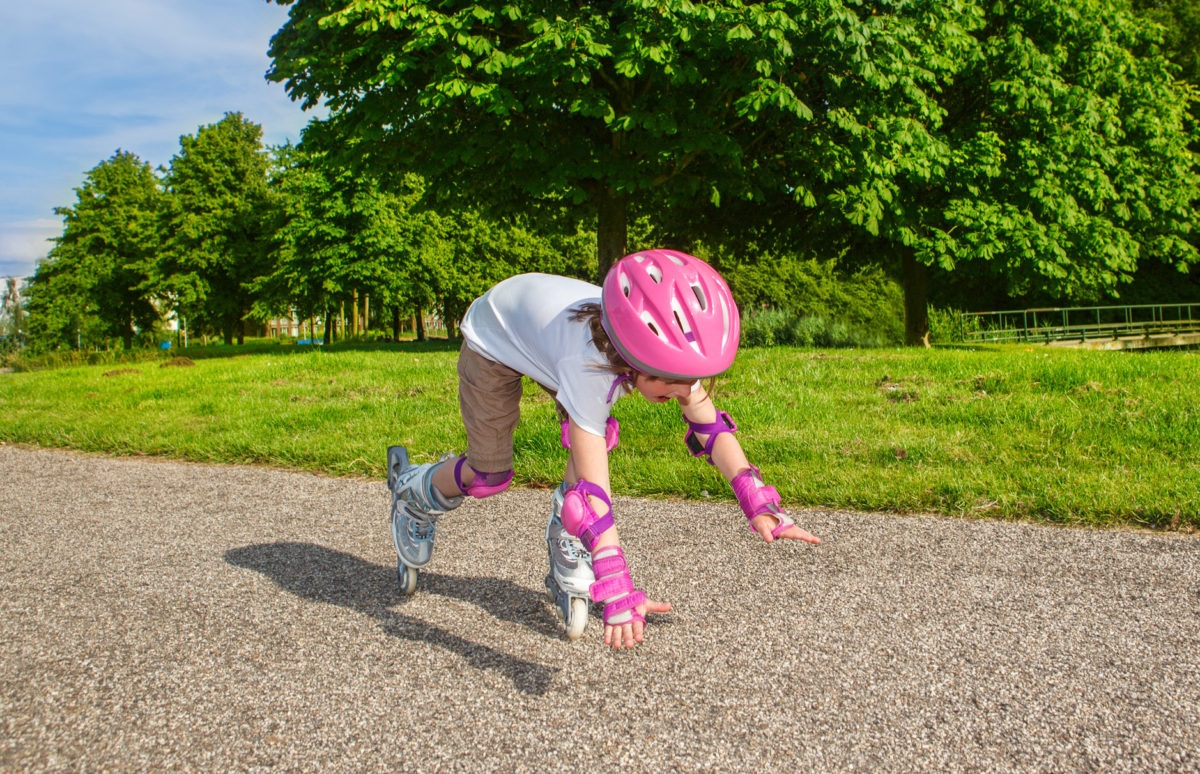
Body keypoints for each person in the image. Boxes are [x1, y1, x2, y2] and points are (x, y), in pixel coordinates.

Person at [387, 249, 820, 650]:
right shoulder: (588, 366)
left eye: (689, 378)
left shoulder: (656, 351)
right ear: (632, 358)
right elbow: (596, 493)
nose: (684, 390)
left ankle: (568, 534)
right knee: (489, 476)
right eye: (670, 379)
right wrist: (615, 579)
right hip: (495, 340)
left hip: (546, 337)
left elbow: (709, 426)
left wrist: (756, 501)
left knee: (595, 436)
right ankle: (413, 491)